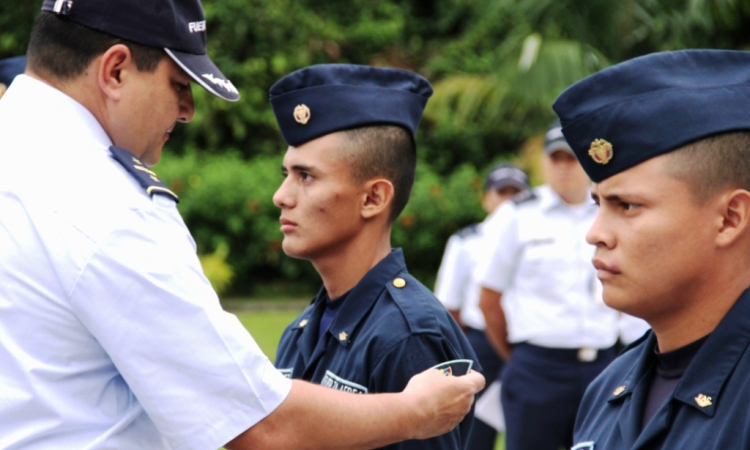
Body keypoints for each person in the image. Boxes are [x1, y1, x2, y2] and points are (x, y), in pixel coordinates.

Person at [0, 2, 484, 449]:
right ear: (116, 69)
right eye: (179, 84)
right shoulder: (104, 204)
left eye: (307, 175)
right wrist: (415, 410)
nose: (187, 111)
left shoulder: (408, 333)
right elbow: (261, 425)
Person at [270, 63, 481, 450]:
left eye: (306, 176)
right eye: (285, 173)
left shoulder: (409, 336)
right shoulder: (301, 330)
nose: (281, 196)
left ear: (373, 198)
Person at [553, 49, 750, 450]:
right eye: (598, 204)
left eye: (627, 206)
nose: (595, 234)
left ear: (730, 218)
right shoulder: (608, 389)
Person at [475, 121, 622, 450]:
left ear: (586, 162)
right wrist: (516, 357)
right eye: (556, 158)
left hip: (602, 365)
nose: (564, 167)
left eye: (571, 158)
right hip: (537, 368)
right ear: (543, 162)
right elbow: (488, 298)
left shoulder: (610, 210)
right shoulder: (516, 215)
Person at [434, 162, 530, 449]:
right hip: (482, 343)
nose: (510, 200)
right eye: (502, 192)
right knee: (476, 431)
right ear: (487, 198)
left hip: (529, 341)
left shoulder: (540, 238)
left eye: (517, 193)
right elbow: (450, 306)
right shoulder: (467, 242)